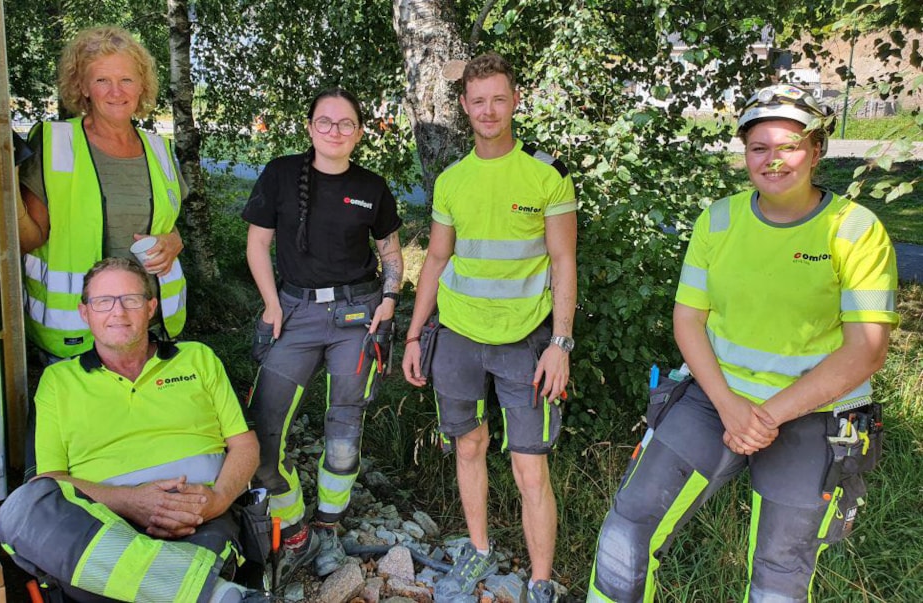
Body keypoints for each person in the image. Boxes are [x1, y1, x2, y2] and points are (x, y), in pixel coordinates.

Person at [587, 84, 899, 602]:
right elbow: (688, 319)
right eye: (759, 148)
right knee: (630, 522)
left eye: (789, 146)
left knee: (782, 568)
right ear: (743, 154)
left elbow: (865, 349)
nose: (772, 160)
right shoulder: (720, 219)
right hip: (715, 401)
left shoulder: (855, 230)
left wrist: (766, 416)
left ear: (817, 150)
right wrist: (732, 408)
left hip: (812, 417)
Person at [401, 53, 577, 603]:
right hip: (457, 339)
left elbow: (563, 263)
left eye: (499, 98)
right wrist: (413, 334)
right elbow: (433, 260)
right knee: (468, 447)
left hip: (527, 343)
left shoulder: (546, 176)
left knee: (530, 469)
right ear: (464, 107)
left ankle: (541, 580)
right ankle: (477, 552)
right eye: (478, 101)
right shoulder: (452, 181)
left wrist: (561, 343)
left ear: (516, 101)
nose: (488, 110)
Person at [0, 258, 266, 603]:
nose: (118, 312)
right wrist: (133, 502)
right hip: (98, 528)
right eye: (103, 301)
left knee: (110, 584)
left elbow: (244, 445)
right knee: (19, 510)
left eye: (131, 299)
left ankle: (197, 591)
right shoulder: (58, 381)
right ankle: (213, 594)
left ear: (151, 307)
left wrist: (217, 501)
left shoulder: (197, 358)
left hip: (196, 515)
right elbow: (47, 481)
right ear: (84, 313)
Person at [242, 87, 403, 585]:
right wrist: (272, 305)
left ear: (359, 131)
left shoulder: (373, 186)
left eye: (345, 123)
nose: (334, 131)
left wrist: (390, 301)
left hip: (357, 317)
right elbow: (258, 244)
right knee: (262, 436)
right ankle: (293, 530)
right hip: (292, 313)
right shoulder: (280, 174)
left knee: (343, 435)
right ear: (310, 127)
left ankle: (329, 525)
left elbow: (392, 256)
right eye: (324, 122)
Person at [17, 25, 187, 362]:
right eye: (101, 80)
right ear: (82, 86)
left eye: (126, 80)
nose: (115, 92)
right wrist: (7, 189)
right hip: (79, 331)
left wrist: (174, 242)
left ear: (142, 86)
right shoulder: (54, 144)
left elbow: (167, 225)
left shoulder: (160, 151)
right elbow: (29, 238)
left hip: (147, 325)